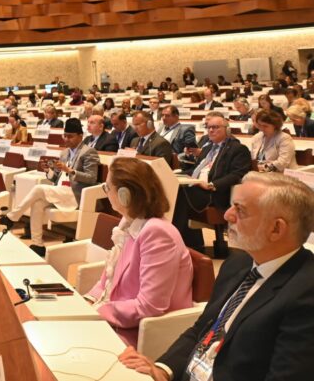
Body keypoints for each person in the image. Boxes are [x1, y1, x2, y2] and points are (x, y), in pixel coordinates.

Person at [119, 172, 314, 381]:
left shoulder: (306, 295)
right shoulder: (238, 263)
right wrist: (162, 370)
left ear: (276, 229)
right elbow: (202, 330)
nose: (227, 215)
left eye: (240, 210)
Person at [86, 157, 193, 346]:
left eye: (107, 187)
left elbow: (150, 306)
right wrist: (87, 301)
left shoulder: (157, 233)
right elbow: (107, 282)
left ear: (124, 195)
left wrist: (97, 312)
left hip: (138, 333)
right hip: (113, 320)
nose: (105, 192)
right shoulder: (128, 225)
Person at [1, 118, 100, 256]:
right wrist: (49, 171)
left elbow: (91, 177)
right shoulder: (64, 153)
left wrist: (69, 170)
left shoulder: (89, 152)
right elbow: (56, 178)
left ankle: (12, 217)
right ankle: (38, 244)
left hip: (75, 194)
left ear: (80, 136)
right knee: (38, 203)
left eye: (70, 136)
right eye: (65, 136)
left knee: (39, 188)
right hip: (61, 191)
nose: (67, 139)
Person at [172, 112, 251, 252]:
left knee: (180, 194)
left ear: (227, 129)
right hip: (196, 187)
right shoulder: (207, 148)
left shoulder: (237, 149)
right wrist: (176, 175)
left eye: (215, 127)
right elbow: (196, 170)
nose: (211, 130)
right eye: (208, 127)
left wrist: (212, 185)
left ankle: (182, 244)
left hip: (215, 193)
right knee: (172, 188)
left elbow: (238, 174)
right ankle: (190, 243)